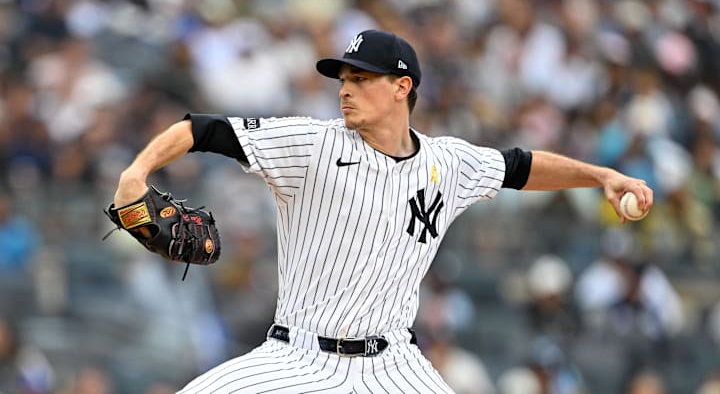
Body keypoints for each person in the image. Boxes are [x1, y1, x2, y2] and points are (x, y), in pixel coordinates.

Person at [111, 29, 653, 393]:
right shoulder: (311, 143)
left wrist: (603, 175)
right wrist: (136, 174)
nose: (346, 90)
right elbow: (203, 130)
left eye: (361, 79)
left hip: (394, 367)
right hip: (295, 360)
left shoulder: (449, 162)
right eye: (343, 79)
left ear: (402, 87)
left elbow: (520, 166)